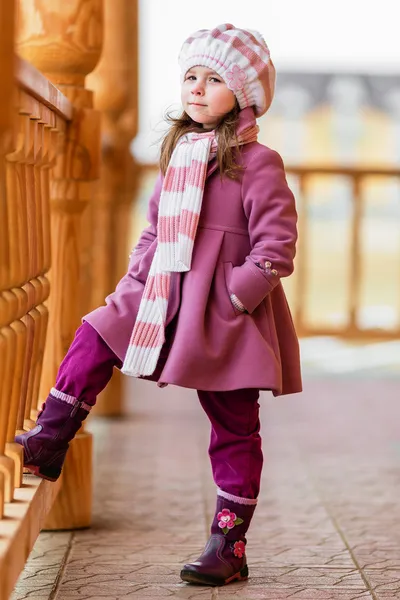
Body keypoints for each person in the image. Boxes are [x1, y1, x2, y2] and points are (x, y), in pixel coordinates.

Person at [16, 23, 302, 587]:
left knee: (234, 423)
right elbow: (154, 230)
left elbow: (276, 246)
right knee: (96, 330)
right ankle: (53, 434)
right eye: (190, 75)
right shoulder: (181, 152)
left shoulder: (258, 162)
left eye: (214, 78)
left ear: (243, 95)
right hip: (162, 289)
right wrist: (132, 284)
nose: (196, 87)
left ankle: (228, 543)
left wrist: (235, 298)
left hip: (222, 309)